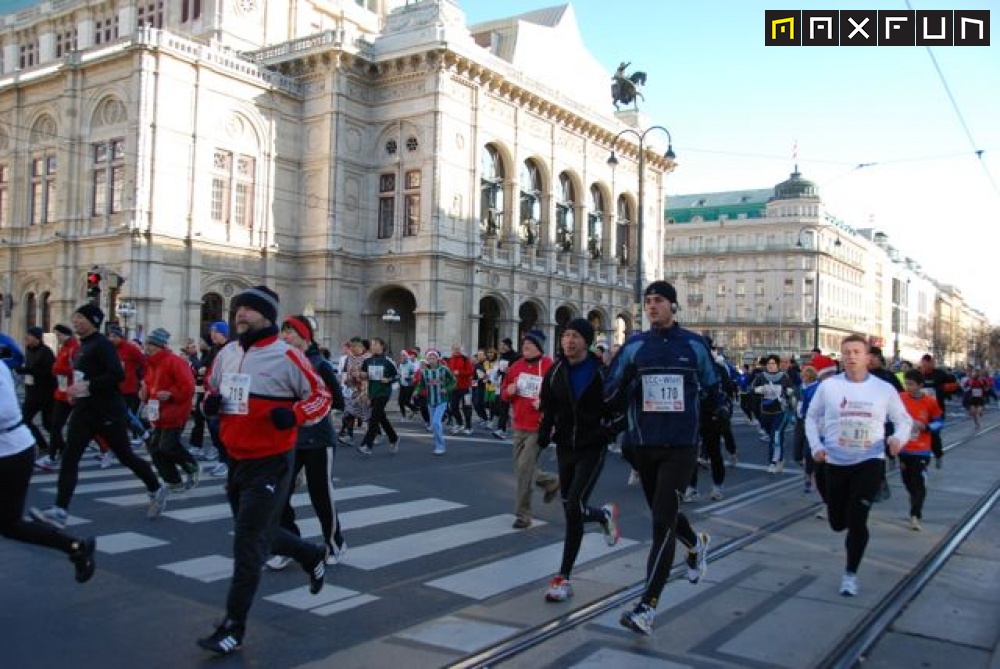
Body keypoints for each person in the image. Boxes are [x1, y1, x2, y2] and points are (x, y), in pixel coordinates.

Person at [199, 286, 331, 656]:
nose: (240, 314)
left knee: (247, 544)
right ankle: (310, 554)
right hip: (236, 458)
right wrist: (211, 404)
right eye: (238, 308)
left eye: (249, 310)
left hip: (271, 461)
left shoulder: (287, 355)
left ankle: (233, 628)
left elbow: (321, 396)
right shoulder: (227, 354)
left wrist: (294, 414)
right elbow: (211, 391)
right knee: (260, 532)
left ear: (267, 317)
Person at [603, 280, 720, 635]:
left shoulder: (694, 345)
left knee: (660, 525)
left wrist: (720, 411)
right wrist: (613, 402)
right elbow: (611, 387)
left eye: (658, 301)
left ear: (673, 306)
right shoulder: (636, 345)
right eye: (648, 301)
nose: (652, 306)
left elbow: (712, 386)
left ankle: (647, 607)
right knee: (662, 514)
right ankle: (696, 543)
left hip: (681, 446)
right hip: (644, 444)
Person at [31, 304, 168, 529]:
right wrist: (76, 391)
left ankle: (155, 486)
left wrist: (88, 385)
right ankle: (60, 509)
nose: (75, 322)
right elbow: (81, 374)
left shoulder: (102, 345)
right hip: (85, 411)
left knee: (125, 456)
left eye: (80, 318)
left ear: (93, 321)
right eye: (74, 318)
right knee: (70, 458)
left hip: (107, 412)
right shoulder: (81, 346)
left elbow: (117, 375)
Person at [805, 334, 913, 597]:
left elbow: (904, 421)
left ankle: (850, 574)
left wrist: (898, 439)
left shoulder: (883, 389)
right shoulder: (829, 387)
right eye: (847, 352)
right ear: (841, 357)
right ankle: (835, 511)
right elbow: (810, 417)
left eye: (856, 352)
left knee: (857, 521)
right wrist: (816, 447)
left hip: (869, 461)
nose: (851, 356)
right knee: (837, 523)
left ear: (867, 357)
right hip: (834, 462)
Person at [537, 318, 620, 602]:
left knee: (573, 506)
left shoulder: (601, 372)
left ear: (586, 341)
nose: (568, 340)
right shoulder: (556, 371)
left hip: (591, 447)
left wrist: (607, 432)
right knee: (571, 510)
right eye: (565, 335)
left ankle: (563, 577)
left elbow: (619, 409)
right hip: (565, 447)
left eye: (574, 336)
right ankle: (603, 515)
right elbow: (548, 405)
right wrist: (543, 433)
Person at [1, 363, 96, 584]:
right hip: (11, 448)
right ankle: (75, 546)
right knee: (9, 526)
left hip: (10, 452)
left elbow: (5, 411)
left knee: (10, 525)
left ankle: (76, 546)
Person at [269, 315, 346, 569]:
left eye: (290, 332)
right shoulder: (283, 362)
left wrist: (305, 409)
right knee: (280, 494)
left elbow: (337, 399)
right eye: (283, 332)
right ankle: (289, 544)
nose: (285, 337)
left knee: (320, 495)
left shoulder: (319, 364)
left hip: (317, 438)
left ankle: (335, 543)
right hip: (290, 438)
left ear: (304, 336)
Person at [500, 329, 560, 529]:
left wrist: (544, 402)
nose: (525, 346)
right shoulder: (515, 367)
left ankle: (523, 515)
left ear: (539, 347)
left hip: (539, 426)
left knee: (524, 468)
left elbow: (561, 394)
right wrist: (508, 392)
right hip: (519, 425)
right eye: (524, 343)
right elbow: (504, 393)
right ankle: (550, 482)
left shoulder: (550, 366)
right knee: (521, 469)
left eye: (530, 344)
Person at [140, 328, 201, 492]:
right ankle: (173, 480)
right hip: (157, 412)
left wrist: (171, 393)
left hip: (175, 411)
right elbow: (150, 385)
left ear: (159, 346)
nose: (147, 347)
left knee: (168, 446)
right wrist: (144, 394)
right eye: (148, 343)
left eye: (151, 344)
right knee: (154, 447)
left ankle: (192, 466)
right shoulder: (151, 363)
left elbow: (188, 386)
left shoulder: (175, 361)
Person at [898, 369, 944, 531]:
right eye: (906, 383)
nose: (908, 387)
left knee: (919, 484)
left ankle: (915, 515)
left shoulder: (930, 401)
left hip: (921, 450)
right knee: (907, 481)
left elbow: (939, 422)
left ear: (920, 385)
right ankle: (914, 501)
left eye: (911, 384)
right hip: (903, 448)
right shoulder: (900, 398)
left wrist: (927, 427)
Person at [36, 324, 79, 471]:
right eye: (56, 335)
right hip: (61, 392)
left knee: (84, 427)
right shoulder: (64, 348)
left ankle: (106, 449)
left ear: (67, 335)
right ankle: (55, 454)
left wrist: (58, 369)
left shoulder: (74, 348)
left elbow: (77, 370)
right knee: (55, 425)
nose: (58, 338)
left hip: (72, 393)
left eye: (60, 335)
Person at [751, 354, 796, 474]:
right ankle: (780, 458)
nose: (771, 366)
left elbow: (791, 390)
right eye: (769, 364)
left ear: (777, 365)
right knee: (773, 436)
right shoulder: (761, 376)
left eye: (773, 363)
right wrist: (760, 390)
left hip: (780, 411)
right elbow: (751, 388)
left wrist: (785, 391)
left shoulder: (784, 376)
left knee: (776, 436)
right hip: (765, 411)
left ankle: (773, 462)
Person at [18, 326, 56, 457]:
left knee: (47, 424)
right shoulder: (28, 350)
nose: (26, 338)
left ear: (37, 338)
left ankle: (62, 447)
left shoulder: (46, 352)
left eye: (29, 336)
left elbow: (47, 373)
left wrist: (27, 371)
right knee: (24, 420)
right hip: (32, 394)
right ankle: (43, 445)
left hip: (46, 394)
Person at [357, 337, 399, 456]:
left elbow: (397, 376)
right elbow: (363, 376)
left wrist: (389, 379)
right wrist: (362, 375)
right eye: (372, 344)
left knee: (374, 418)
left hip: (384, 393)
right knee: (381, 417)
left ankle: (366, 445)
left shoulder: (388, 361)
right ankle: (394, 438)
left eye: (376, 344)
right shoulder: (368, 361)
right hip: (372, 392)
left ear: (382, 346)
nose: (373, 346)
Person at [917, 354, 958, 468]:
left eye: (927, 365)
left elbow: (954, 384)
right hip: (921, 411)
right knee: (920, 434)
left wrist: (944, 389)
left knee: (934, 435)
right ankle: (923, 459)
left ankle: (938, 455)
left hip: (937, 411)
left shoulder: (940, 374)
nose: (924, 367)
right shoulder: (918, 375)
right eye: (923, 365)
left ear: (932, 363)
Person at [413, 349, 454, 455]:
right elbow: (421, 385)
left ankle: (441, 446)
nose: (431, 360)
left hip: (442, 400)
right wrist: (416, 392)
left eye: (433, 358)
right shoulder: (424, 372)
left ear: (437, 358)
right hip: (430, 401)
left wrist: (446, 389)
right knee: (434, 425)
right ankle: (438, 445)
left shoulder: (444, 369)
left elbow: (453, 381)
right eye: (429, 358)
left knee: (436, 422)